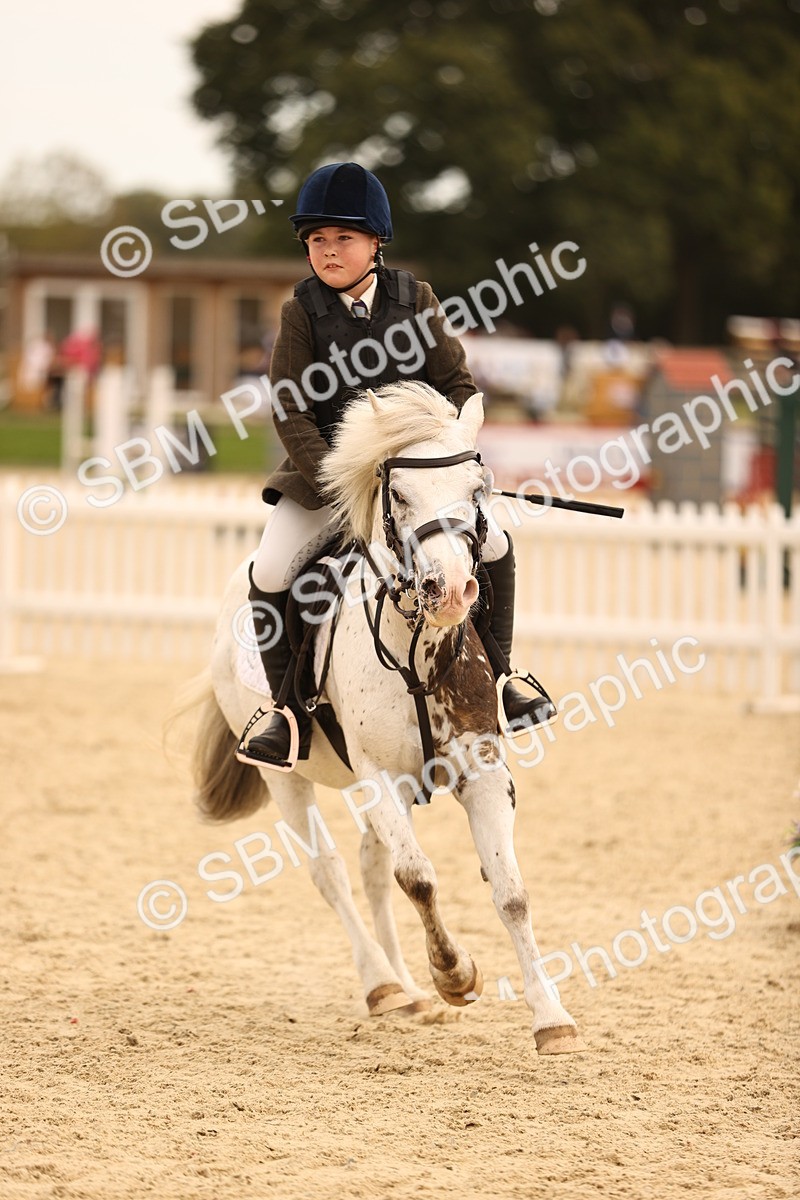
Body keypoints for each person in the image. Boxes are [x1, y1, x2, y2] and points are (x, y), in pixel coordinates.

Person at [239, 161, 555, 770]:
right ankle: (285, 713)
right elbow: (289, 406)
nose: (328, 252)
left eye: (343, 238)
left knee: (496, 548)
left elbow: (458, 384)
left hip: (417, 483)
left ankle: (505, 679)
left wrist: (455, 455)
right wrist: (339, 479)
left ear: (375, 243)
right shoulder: (300, 311)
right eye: (317, 240)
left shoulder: (417, 300)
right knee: (273, 568)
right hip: (326, 479)